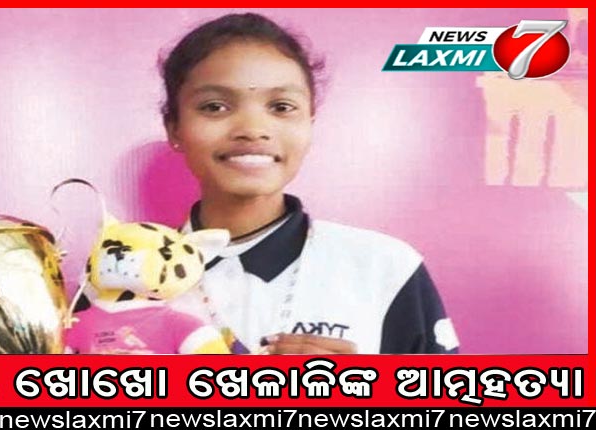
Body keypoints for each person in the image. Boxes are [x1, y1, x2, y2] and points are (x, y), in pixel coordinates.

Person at [159, 13, 460, 355]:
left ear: (309, 123)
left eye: (281, 107)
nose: (253, 129)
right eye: (214, 107)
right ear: (174, 128)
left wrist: (365, 382)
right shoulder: (125, 278)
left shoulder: (385, 267)